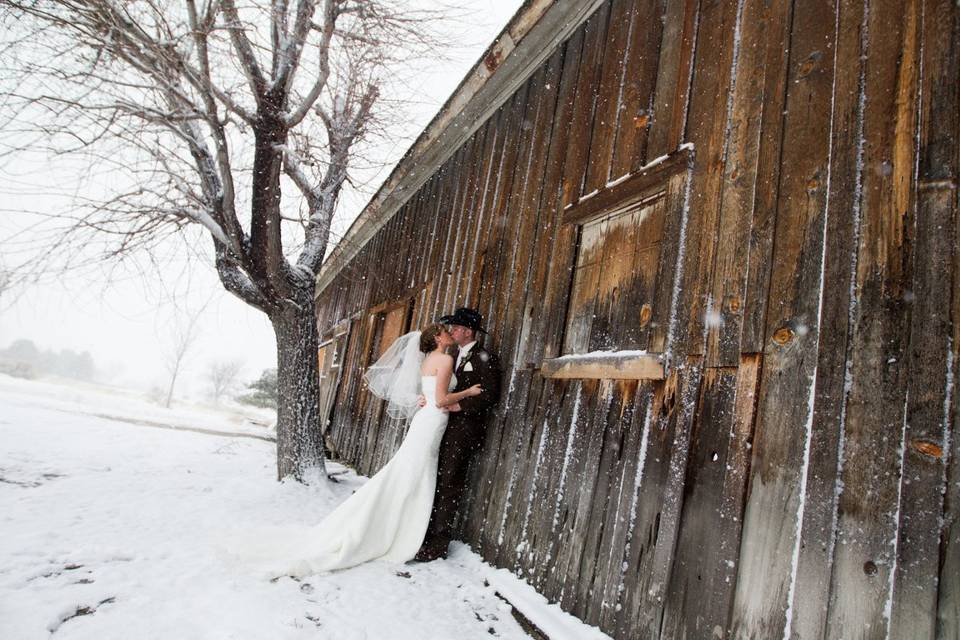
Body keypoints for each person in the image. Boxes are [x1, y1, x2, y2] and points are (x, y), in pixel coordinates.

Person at [248, 323, 482, 575]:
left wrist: (432, 398)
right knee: (413, 473)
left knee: (408, 471)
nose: (449, 333)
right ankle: (397, 528)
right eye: (445, 330)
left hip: (426, 419)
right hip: (433, 420)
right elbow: (442, 399)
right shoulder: (445, 360)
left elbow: (429, 394)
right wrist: (468, 391)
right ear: (437, 337)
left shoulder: (429, 361)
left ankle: (397, 521)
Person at [414, 307, 501, 561]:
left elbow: (489, 394)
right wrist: (427, 398)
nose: (451, 331)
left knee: (449, 484)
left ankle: (438, 544)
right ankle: (423, 533)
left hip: (463, 431)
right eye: (449, 329)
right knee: (434, 481)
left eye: (455, 328)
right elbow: (439, 388)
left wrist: (461, 405)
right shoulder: (453, 355)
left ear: (467, 331)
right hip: (440, 426)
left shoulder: (486, 357)